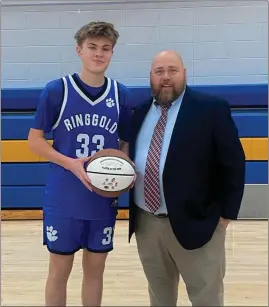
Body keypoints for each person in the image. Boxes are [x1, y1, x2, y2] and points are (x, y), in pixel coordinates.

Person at [128, 50, 245, 306]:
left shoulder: (211, 109)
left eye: (172, 70)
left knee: (206, 297)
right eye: (159, 72)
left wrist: (225, 216)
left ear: (184, 74)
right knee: (159, 297)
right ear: (151, 77)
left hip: (199, 222)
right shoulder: (140, 112)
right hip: (147, 224)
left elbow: (234, 164)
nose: (166, 78)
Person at [28, 21, 133, 306]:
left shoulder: (120, 94)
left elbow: (124, 142)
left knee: (95, 271)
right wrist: (70, 163)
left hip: (101, 199)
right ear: (79, 50)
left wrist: (121, 171)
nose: (99, 54)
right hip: (64, 198)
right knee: (59, 271)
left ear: (112, 53)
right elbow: (34, 141)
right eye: (92, 47)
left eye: (105, 48)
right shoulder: (56, 90)